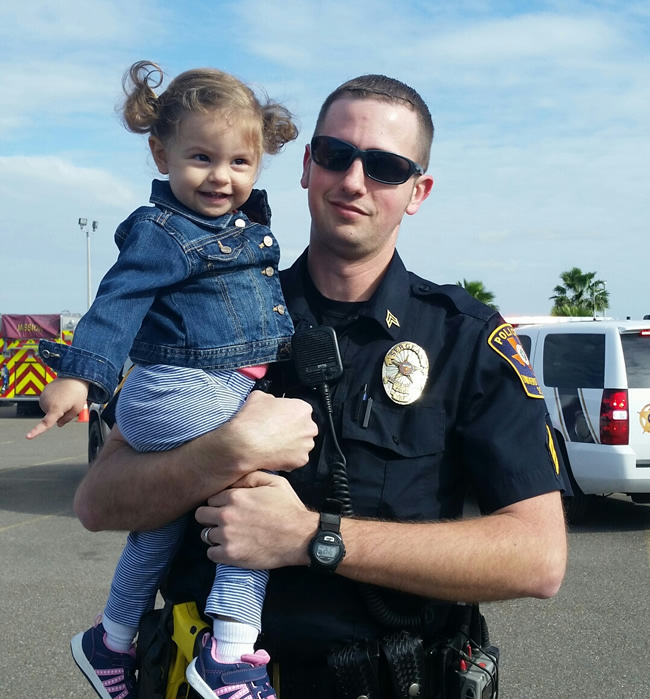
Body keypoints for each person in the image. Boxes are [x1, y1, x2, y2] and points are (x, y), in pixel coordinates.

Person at [74, 74, 569, 698]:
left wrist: (314, 538)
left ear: (419, 191)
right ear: (307, 166)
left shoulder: (465, 339)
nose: (355, 181)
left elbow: (538, 557)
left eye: (387, 166)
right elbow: (99, 501)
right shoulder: (209, 315)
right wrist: (226, 452)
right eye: (337, 155)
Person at [28, 60, 299, 699]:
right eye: (201, 157)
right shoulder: (164, 230)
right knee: (255, 489)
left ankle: (111, 639)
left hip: (183, 391)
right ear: (161, 152)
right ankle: (229, 653)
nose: (221, 177)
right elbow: (118, 300)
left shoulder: (237, 229)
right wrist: (81, 380)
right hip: (186, 389)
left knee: (161, 523)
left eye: (240, 162)